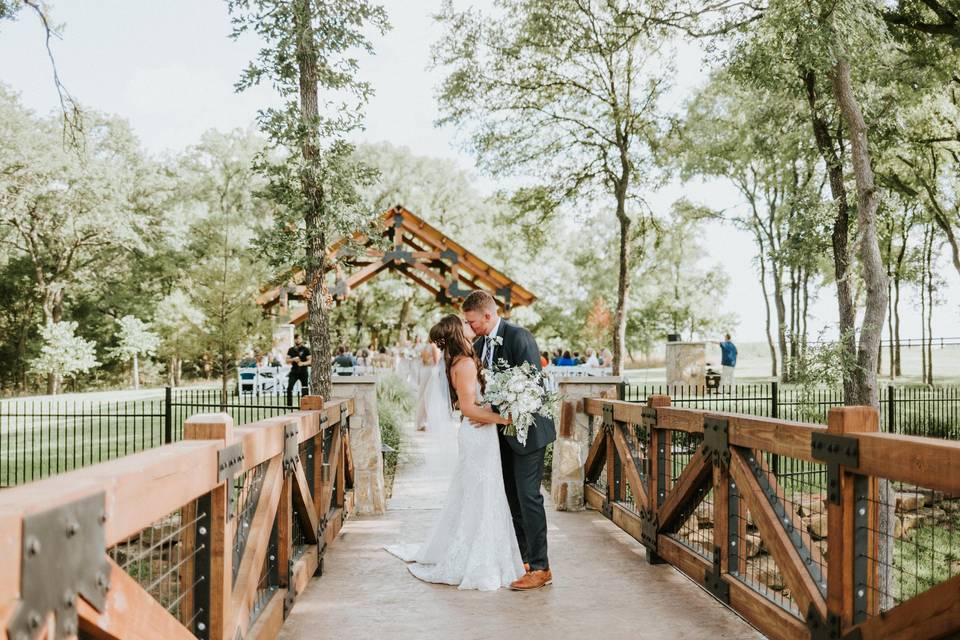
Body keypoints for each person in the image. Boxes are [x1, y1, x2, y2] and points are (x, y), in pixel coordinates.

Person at [386, 314, 522, 590]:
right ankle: (477, 558)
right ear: (457, 332)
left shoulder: (460, 361)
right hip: (478, 436)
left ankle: (479, 549)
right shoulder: (466, 364)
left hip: (479, 435)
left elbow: (470, 406)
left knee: (476, 493)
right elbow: (469, 408)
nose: (469, 326)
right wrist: (506, 418)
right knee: (481, 494)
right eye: (465, 324)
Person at [463, 290, 556, 591]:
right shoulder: (479, 345)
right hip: (501, 435)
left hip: (529, 431)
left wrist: (493, 409)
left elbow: (532, 387)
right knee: (511, 497)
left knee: (529, 496)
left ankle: (542, 567)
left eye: (473, 321)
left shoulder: (519, 337)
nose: (470, 326)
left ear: (488, 315)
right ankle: (525, 558)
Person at [415, 341, 440, 431]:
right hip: (430, 371)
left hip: (424, 370)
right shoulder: (433, 346)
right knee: (427, 397)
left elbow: (423, 359)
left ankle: (420, 422)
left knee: (422, 396)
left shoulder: (425, 346)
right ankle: (425, 422)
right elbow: (437, 362)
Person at [286, 334, 311, 405]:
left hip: (303, 372)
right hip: (294, 371)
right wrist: (293, 359)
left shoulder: (306, 349)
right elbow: (287, 360)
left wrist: (302, 363)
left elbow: (310, 361)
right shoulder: (291, 349)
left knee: (305, 388)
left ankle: (305, 404)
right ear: (294, 340)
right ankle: (289, 405)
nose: (297, 340)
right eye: (296, 339)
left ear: (301, 339)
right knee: (289, 388)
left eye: (299, 338)